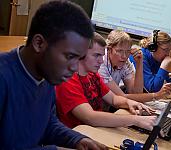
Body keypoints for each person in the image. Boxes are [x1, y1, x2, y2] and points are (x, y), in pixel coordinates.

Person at [0, 1, 106, 149]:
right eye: (70, 56)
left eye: (79, 58)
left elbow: (47, 122)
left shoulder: (47, 75)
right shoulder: (4, 77)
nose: (75, 67)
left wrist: (76, 140)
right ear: (39, 43)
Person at [55, 32, 157, 130]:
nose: (101, 60)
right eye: (96, 55)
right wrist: (135, 120)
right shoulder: (68, 79)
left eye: (101, 55)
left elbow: (113, 99)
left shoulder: (92, 74)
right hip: (79, 134)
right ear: (81, 54)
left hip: (95, 129)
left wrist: (129, 102)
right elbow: (89, 117)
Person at [98, 30, 171, 102]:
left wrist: (139, 63)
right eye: (119, 51)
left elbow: (136, 93)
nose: (124, 56)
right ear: (109, 49)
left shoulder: (125, 62)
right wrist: (156, 96)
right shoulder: (101, 63)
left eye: (127, 51)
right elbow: (121, 97)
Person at [129, 31, 171, 97]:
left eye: (169, 50)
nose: (168, 54)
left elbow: (167, 79)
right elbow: (151, 89)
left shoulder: (156, 58)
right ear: (153, 48)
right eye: (165, 50)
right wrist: (164, 66)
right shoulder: (140, 58)